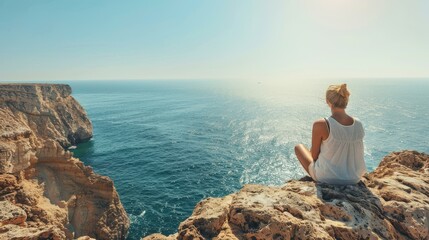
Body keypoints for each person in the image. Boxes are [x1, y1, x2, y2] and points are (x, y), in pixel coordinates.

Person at [294, 83, 366, 185]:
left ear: (328, 101)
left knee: (299, 147)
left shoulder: (322, 124)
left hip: (327, 178)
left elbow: (314, 156)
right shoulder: (358, 124)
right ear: (346, 101)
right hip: (354, 178)